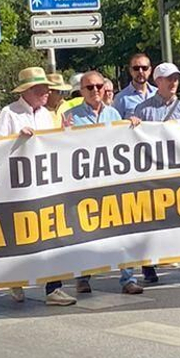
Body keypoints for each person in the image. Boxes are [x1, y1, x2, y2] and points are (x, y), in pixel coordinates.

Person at [0, 67, 76, 307]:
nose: (47, 93)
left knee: (50, 232)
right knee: (20, 233)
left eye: (48, 89)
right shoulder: (10, 113)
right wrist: (16, 137)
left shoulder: (47, 115)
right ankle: (14, 277)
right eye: (41, 89)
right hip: (19, 185)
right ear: (27, 91)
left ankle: (54, 287)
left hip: (45, 183)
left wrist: (64, 134)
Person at [129, 64, 180, 287]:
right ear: (157, 82)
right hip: (154, 174)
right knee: (153, 221)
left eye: (176, 78)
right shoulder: (143, 110)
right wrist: (133, 125)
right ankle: (149, 263)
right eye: (168, 79)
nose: (173, 82)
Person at [61, 70, 120, 295]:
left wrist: (133, 125)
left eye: (99, 86)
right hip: (83, 183)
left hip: (110, 181)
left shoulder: (114, 114)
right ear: (81, 91)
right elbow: (61, 146)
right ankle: (82, 276)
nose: (95, 91)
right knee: (82, 231)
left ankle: (126, 277)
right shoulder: (71, 116)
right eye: (90, 87)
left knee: (120, 229)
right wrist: (63, 132)